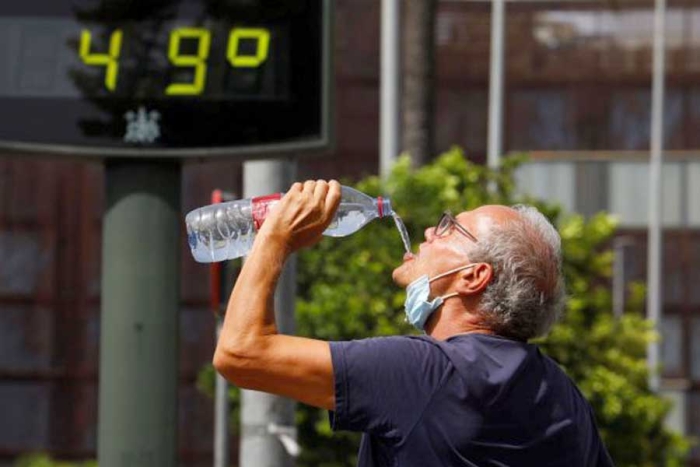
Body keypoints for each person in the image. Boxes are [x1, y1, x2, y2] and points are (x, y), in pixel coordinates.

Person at [213, 179, 614, 467]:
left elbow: (241, 352)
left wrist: (274, 237)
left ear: (473, 276)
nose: (427, 231)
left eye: (448, 228)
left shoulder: (426, 373)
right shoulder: (563, 396)